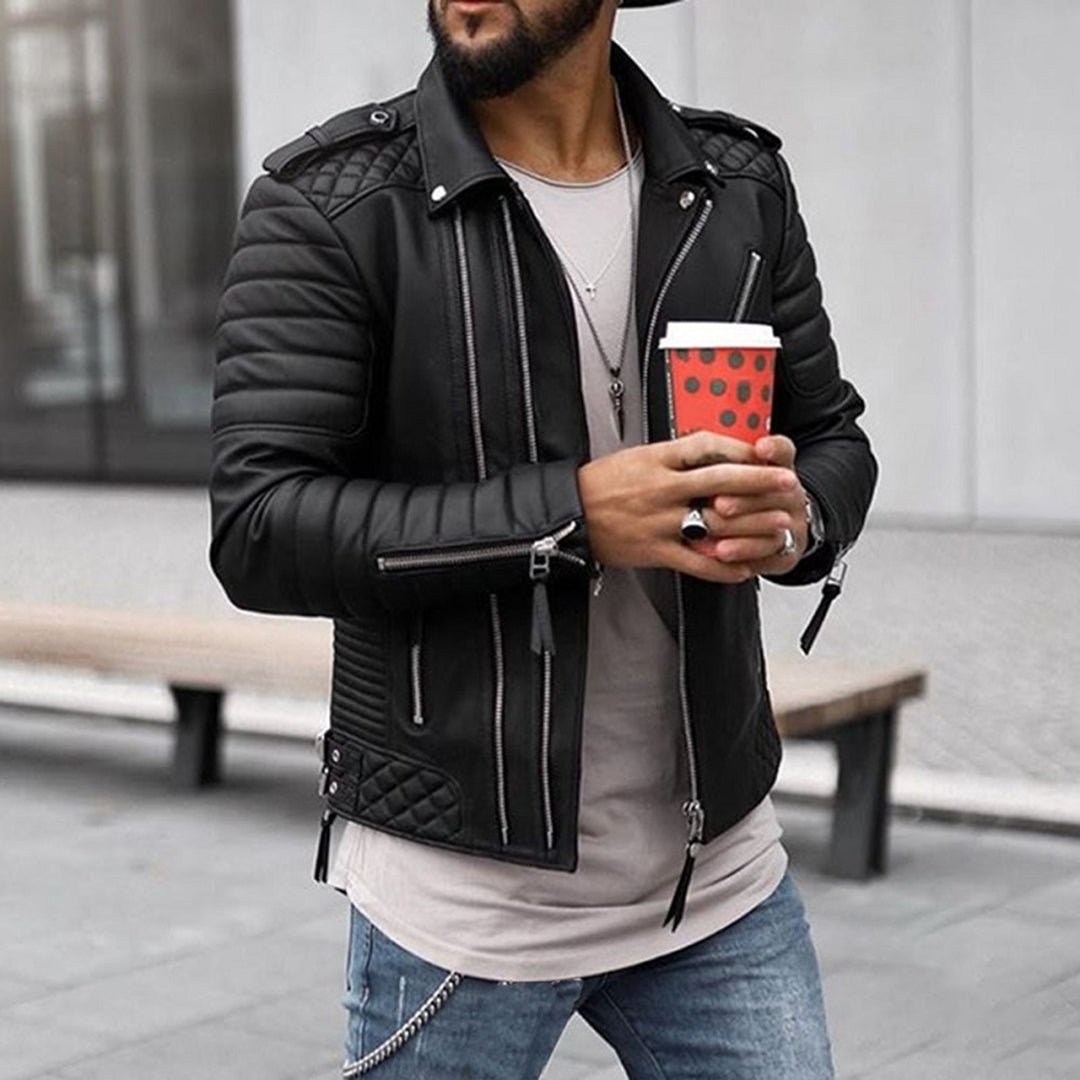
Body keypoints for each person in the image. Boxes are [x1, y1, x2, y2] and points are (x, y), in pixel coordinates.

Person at [209, 0, 877, 1075]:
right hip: (461, 907)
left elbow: (832, 435)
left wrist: (796, 520)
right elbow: (260, 525)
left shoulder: (735, 185)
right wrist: (569, 520)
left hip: (718, 886)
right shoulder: (332, 204)